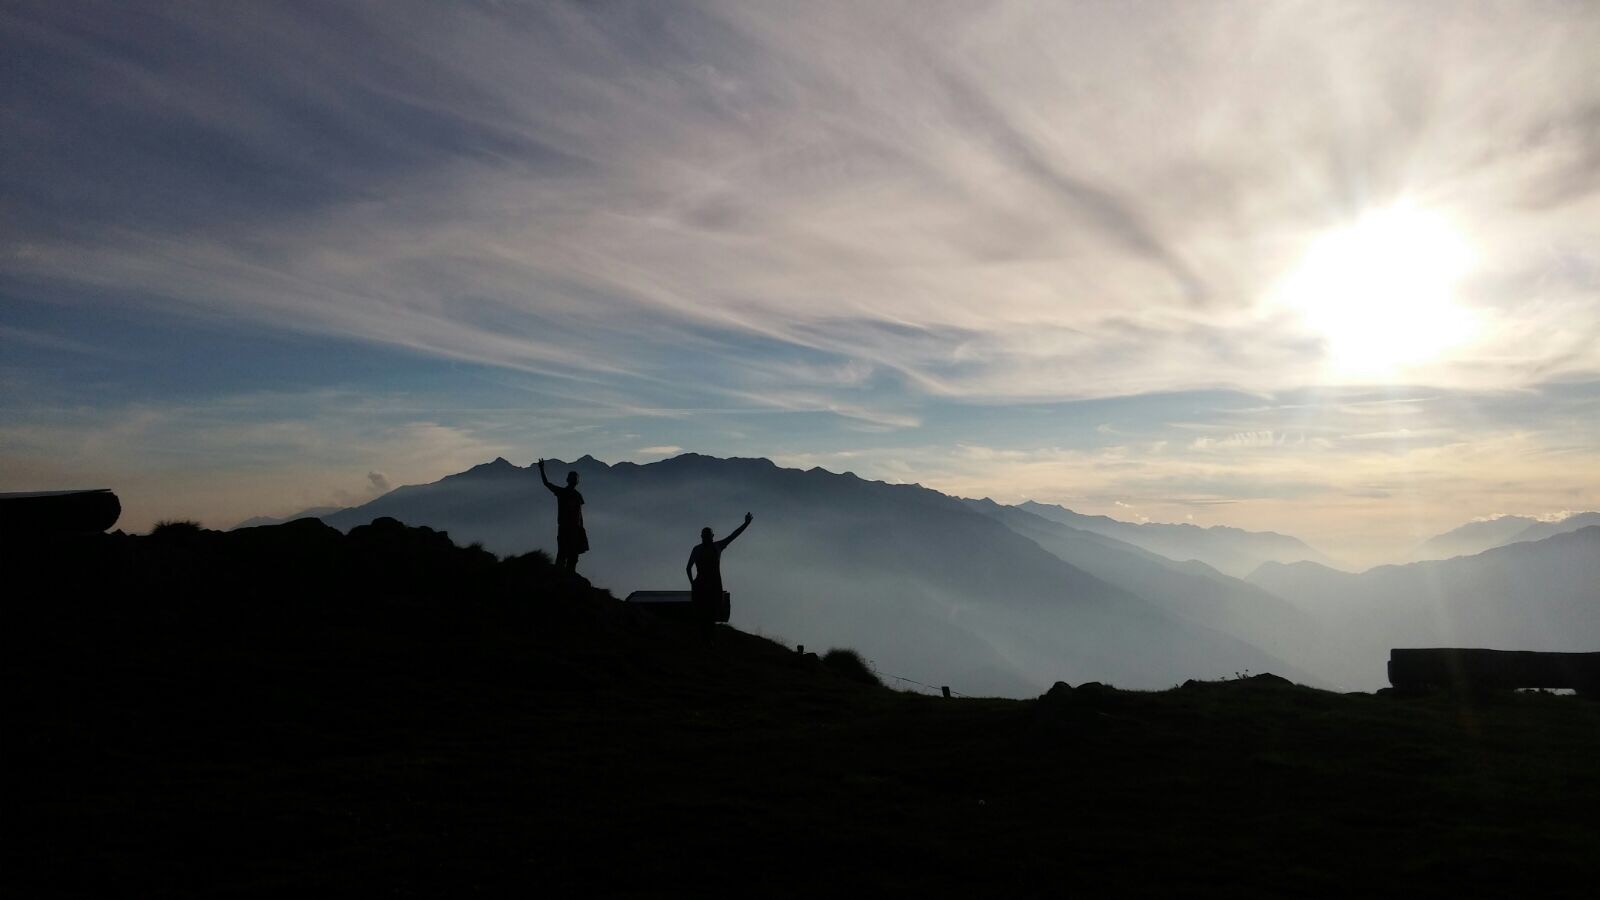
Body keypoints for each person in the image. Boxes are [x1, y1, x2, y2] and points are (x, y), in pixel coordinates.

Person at [686, 512, 752, 622]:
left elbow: (733, 536)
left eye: (708, 536)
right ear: (703, 537)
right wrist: (693, 584)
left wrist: (745, 524)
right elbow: (688, 568)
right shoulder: (700, 549)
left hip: (712, 585)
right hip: (704, 585)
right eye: (705, 536)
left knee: (710, 614)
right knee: (703, 615)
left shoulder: (715, 547)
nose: (707, 538)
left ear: (712, 536)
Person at [538, 458, 588, 574]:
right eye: (573, 478)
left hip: (574, 529)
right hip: (566, 529)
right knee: (564, 553)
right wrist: (542, 469)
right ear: (568, 480)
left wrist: (581, 528)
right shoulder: (564, 493)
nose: (574, 480)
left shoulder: (576, 495)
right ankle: (562, 576)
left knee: (572, 555)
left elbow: (579, 514)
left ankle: (568, 575)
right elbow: (547, 483)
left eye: (575, 478)